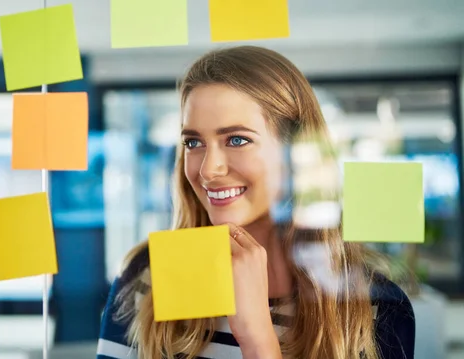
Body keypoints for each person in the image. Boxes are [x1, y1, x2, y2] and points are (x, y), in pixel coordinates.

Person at [96, 46, 416, 359]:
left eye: (237, 140)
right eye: (193, 142)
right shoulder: (146, 276)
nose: (208, 169)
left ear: (295, 151)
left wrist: (257, 339)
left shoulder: (374, 307)